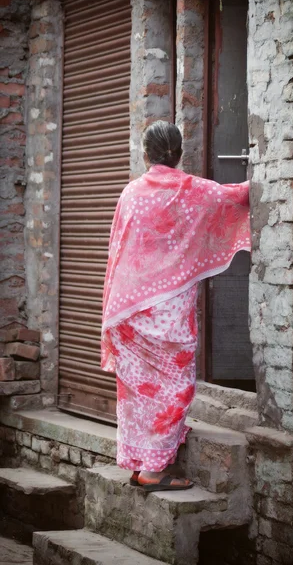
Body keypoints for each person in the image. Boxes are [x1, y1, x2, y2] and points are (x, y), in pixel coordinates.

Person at [101, 121, 250, 491]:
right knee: (175, 383)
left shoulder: (131, 192)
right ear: (179, 153)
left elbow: (116, 250)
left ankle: (140, 462)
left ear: (145, 153)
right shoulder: (191, 189)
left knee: (138, 387)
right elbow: (236, 197)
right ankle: (154, 470)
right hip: (167, 307)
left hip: (129, 306)